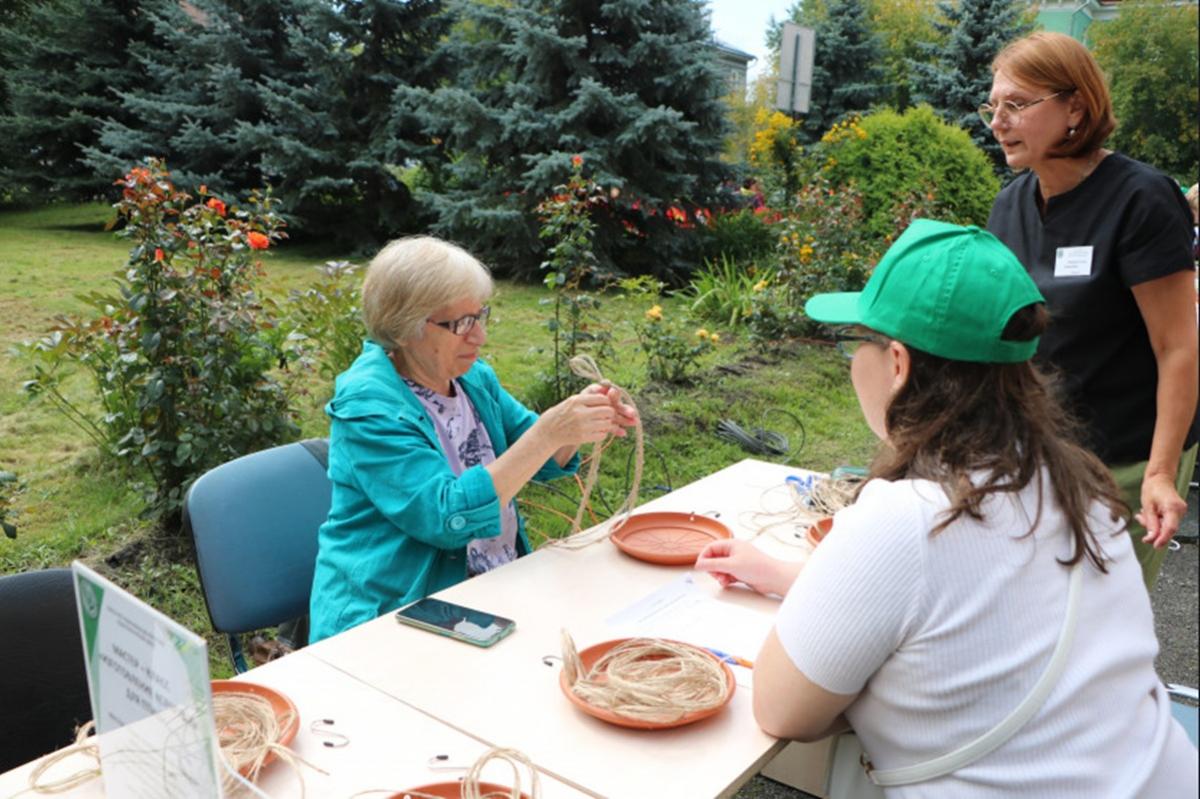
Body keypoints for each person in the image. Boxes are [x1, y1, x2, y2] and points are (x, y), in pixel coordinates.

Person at [696, 220, 1197, 797]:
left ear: (899, 364)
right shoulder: (1078, 484)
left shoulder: (907, 516)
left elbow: (783, 711)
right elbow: (979, 603)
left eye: (858, 340)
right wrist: (785, 576)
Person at [308, 236, 637, 643]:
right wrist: (549, 431)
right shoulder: (368, 408)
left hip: (485, 591)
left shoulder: (472, 379)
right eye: (461, 323)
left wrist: (580, 422)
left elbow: (538, 452)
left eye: (480, 315)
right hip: (394, 614)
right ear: (406, 328)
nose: (479, 336)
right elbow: (447, 518)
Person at [982, 32, 1198, 588]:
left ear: (1075, 106)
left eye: (1016, 105)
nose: (997, 122)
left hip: (1124, 460)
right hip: (1036, 449)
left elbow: (1178, 347)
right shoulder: (1010, 205)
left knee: (1101, 627)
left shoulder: (1140, 199)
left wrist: (1160, 472)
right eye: (993, 106)